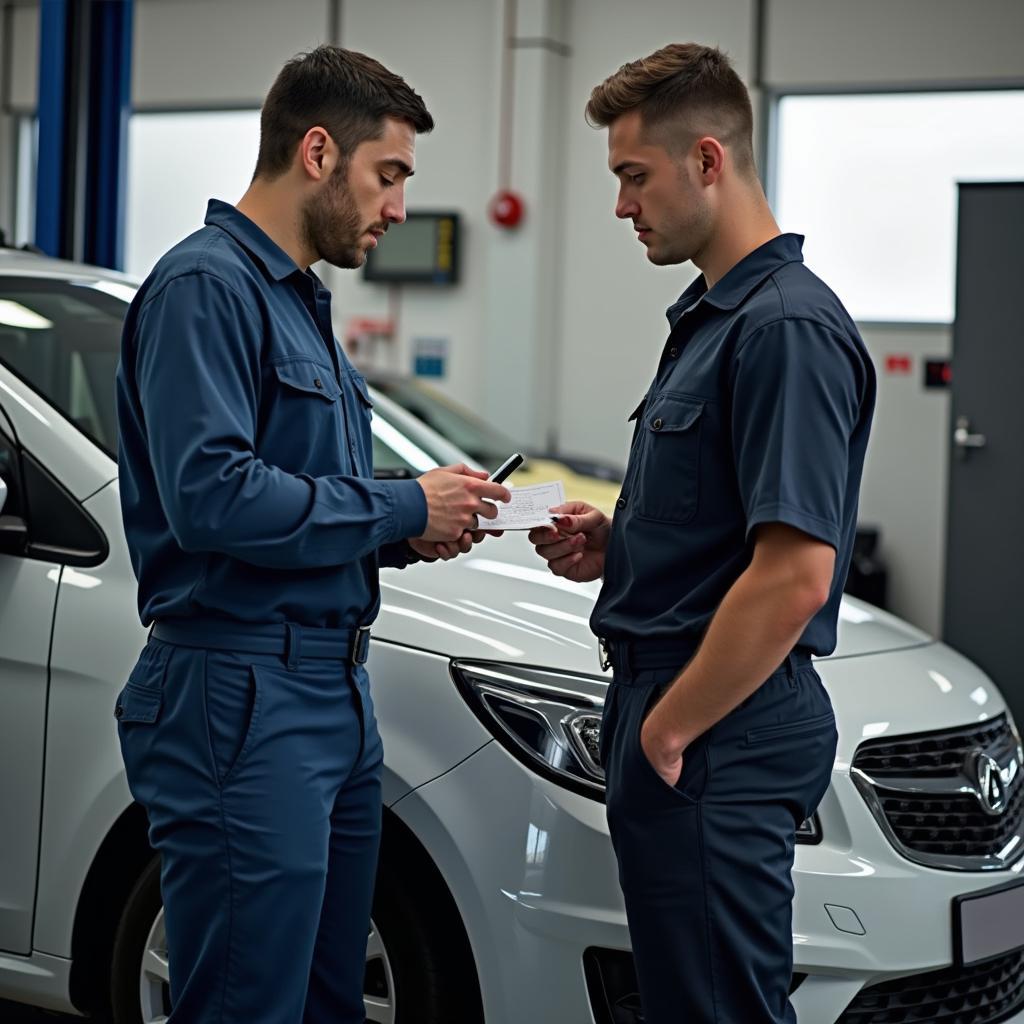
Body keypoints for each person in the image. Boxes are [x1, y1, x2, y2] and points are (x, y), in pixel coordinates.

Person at [114, 46, 509, 1024]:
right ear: (319, 152)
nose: (399, 208)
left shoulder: (303, 309)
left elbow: (298, 497)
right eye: (390, 175)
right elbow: (212, 496)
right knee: (247, 1001)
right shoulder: (204, 288)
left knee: (328, 999)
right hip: (241, 693)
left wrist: (406, 529)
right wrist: (402, 506)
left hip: (331, 693)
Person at [530, 43, 876, 1024]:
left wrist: (671, 726)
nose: (621, 204)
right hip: (684, 710)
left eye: (633, 176)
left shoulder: (781, 330)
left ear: (709, 160)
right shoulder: (719, 321)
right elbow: (732, 532)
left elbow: (794, 576)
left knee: (715, 1009)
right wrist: (619, 546)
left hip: (713, 723)